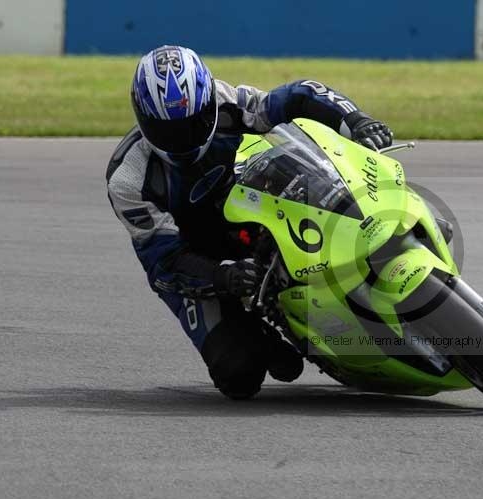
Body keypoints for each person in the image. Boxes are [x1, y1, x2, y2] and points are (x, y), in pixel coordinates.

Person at [106, 45, 393, 399]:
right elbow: (164, 263)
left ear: (209, 102)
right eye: (168, 131)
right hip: (193, 256)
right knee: (238, 375)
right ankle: (263, 334)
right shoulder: (129, 180)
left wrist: (356, 120)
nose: (183, 139)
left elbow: (298, 97)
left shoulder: (228, 101)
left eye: (193, 123)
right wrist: (222, 276)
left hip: (244, 208)